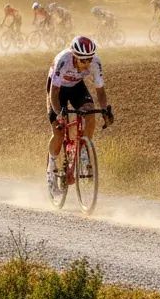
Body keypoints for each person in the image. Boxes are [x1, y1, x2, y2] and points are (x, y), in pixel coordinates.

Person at [46, 36, 112, 190]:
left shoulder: (95, 63)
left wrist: (105, 110)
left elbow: (100, 91)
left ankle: (83, 151)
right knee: (58, 132)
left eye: (89, 59)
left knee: (90, 113)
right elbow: (54, 92)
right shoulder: (63, 60)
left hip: (76, 87)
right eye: (83, 60)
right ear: (74, 56)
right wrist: (58, 113)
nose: (87, 63)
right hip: (57, 90)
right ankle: (51, 166)